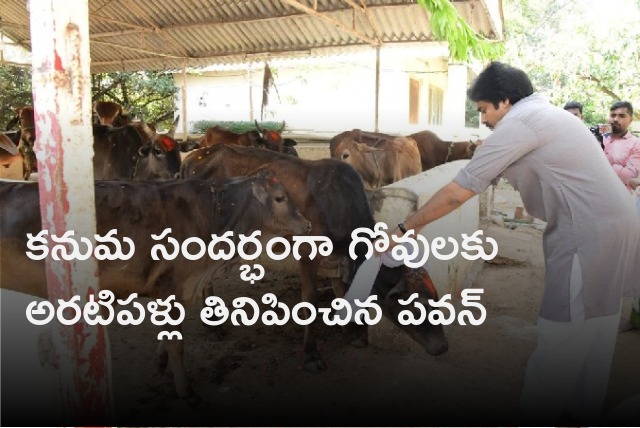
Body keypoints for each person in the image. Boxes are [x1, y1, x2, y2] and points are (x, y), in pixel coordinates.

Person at [384, 62, 640, 425]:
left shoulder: (521, 123)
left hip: (586, 232)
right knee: (597, 329)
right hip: (618, 224)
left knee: (561, 335)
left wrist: (406, 226)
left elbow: (460, 189)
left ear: (505, 101)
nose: (484, 119)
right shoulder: (545, 115)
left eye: (485, 109)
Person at [603, 101, 640, 191]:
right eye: (613, 115)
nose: (615, 119)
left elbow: (630, 175)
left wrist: (600, 166)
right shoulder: (599, 135)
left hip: (617, 196)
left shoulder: (636, 143)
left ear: (630, 120)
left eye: (622, 116)